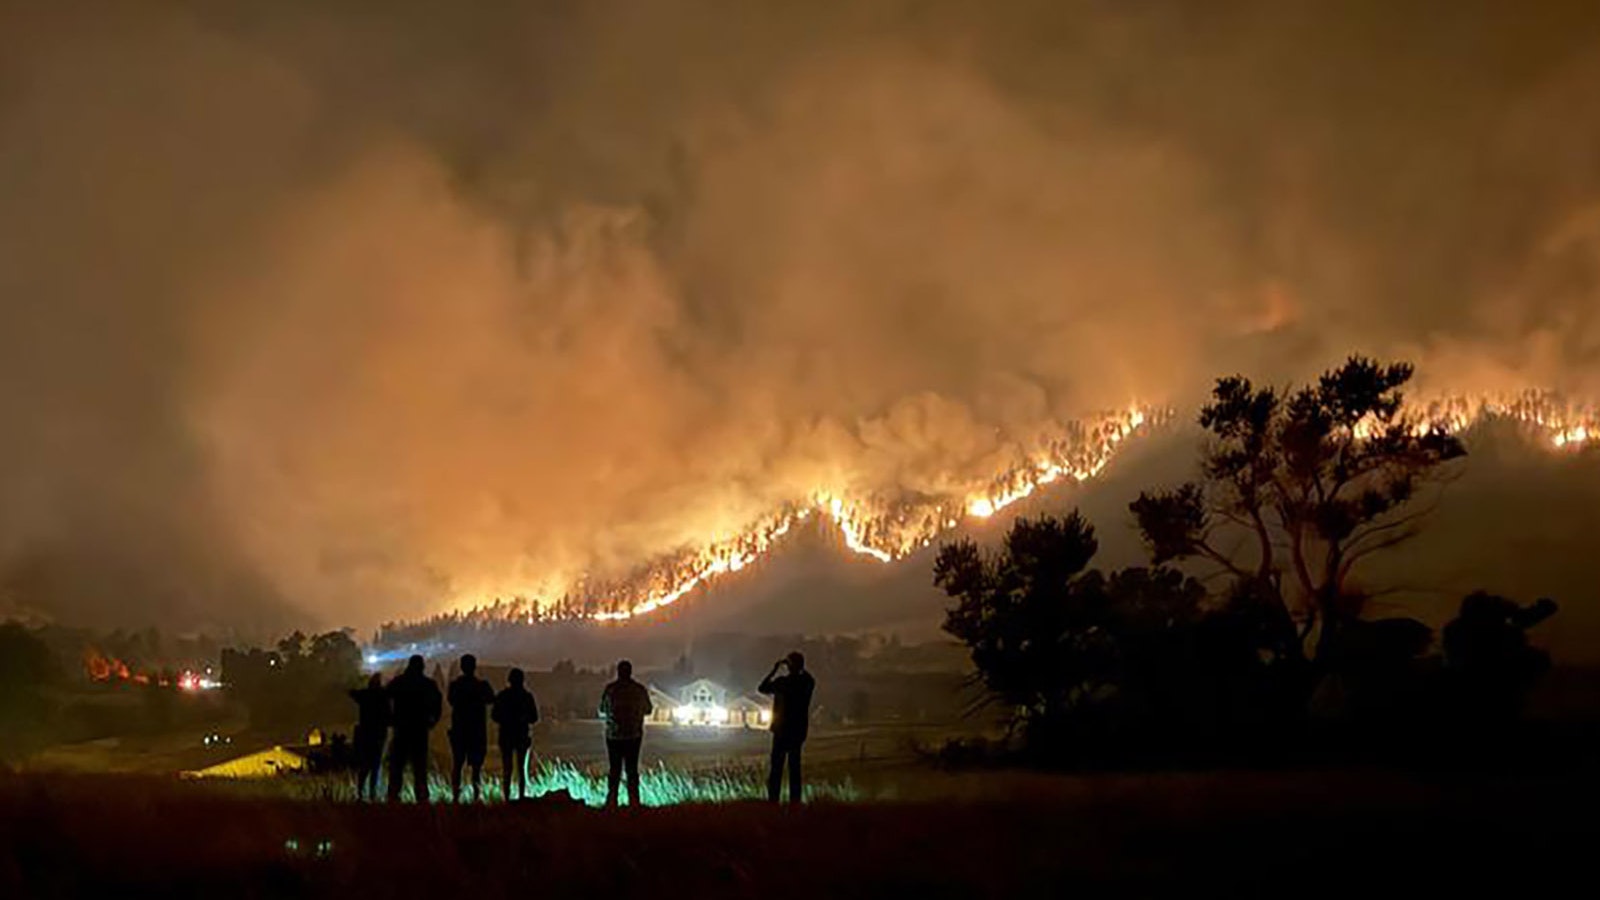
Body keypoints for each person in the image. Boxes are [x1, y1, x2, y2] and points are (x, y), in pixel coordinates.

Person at [758, 650, 815, 804]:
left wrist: (775, 669)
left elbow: (762, 688)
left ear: (788, 666)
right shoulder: (806, 683)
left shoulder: (782, 683)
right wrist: (800, 667)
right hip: (797, 730)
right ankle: (794, 801)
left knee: (776, 767)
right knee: (794, 768)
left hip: (781, 730)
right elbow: (810, 678)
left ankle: (773, 800)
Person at [385, 654, 442, 803]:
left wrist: (390, 719)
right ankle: (422, 797)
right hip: (419, 729)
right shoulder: (427, 684)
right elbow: (438, 704)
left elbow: (384, 698)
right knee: (420, 767)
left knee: (397, 766)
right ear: (422, 667)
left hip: (401, 728)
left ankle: (393, 796)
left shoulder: (399, 682)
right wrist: (433, 720)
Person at [598, 659, 652, 808]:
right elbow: (648, 710)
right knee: (632, 769)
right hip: (633, 735)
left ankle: (611, 801)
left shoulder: (610, 689)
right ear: (630, 672)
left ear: (618, 672)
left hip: (613, 736)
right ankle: (634, 802)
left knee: (614, 769)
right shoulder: (639, 689)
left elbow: (602, 709)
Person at [447, 653, 496, 803]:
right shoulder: (482, 686)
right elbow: (491, 699)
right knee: (476, 768)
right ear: (474, 667)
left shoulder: (455, 686)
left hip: (460, 730)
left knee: (457, 764)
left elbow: (451, 701)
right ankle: (476, 795)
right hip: (477, 732)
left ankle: (456, 796)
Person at [491, 667, 540, 801]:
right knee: (521, 769)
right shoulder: (527, 697)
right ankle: (521, 796)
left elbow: (494, 716)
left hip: (506, 736)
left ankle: (506, 797)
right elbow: (534, 717)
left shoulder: (502, 696)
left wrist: (506, 719)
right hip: (521, 736)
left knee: (507, 768)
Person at [348, 672, 390, 801]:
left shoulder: (364, 695)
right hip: (379, 733)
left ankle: (360, 792)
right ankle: (372, 793)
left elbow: (351, 692)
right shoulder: (383, 696)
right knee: (375, 765)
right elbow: (389, 715)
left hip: (365, 733)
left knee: (365, 764)